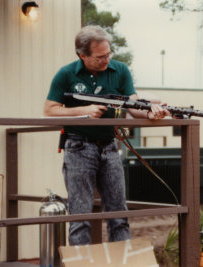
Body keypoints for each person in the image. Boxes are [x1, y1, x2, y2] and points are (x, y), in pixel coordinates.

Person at [44, 25, 170, 245]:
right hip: (78, 148)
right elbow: (50, 109)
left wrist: (151, 111)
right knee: (80, 216)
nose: (106, 60)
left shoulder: (120, 70)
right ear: (82, 55)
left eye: (109, 54)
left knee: (118, 213)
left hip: (110, 147)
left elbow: (133, 105)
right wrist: (85, 110)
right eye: (100, 57)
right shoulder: (66, 74)